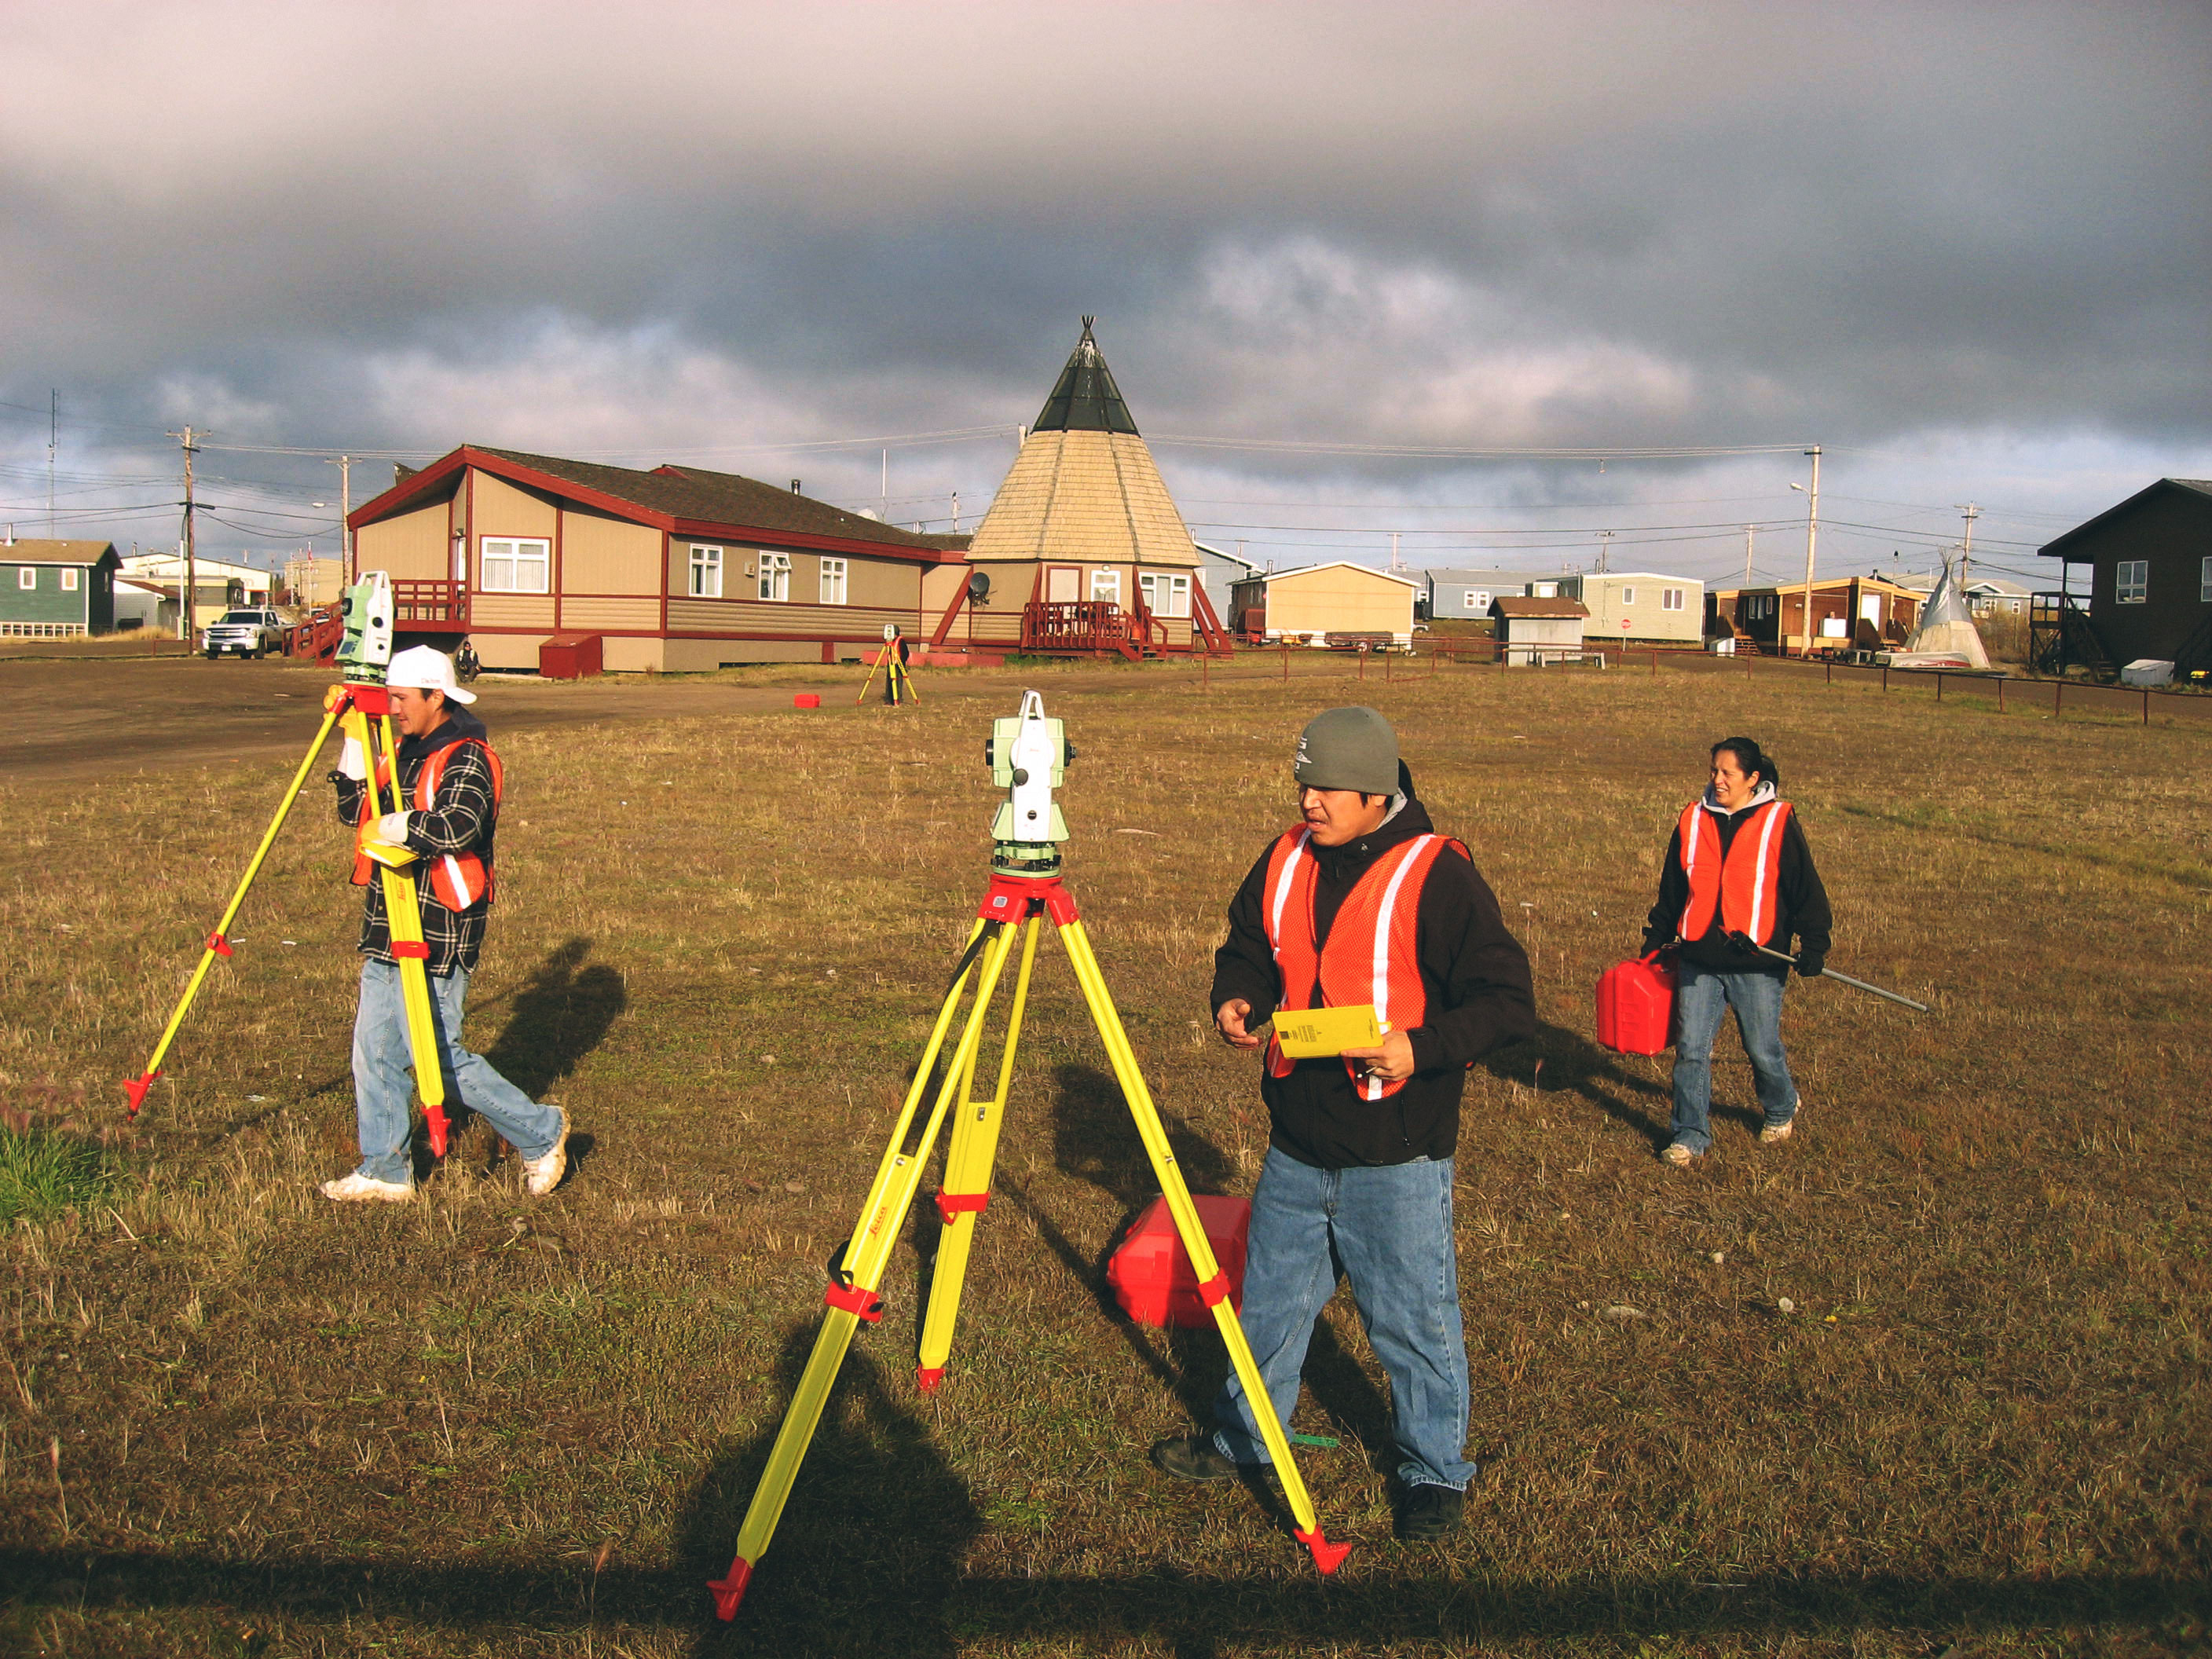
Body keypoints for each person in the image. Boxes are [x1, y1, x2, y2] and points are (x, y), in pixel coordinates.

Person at [1151, 707, 1536, 1541]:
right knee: (1269, 1309)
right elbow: (1247, 942)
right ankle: (1245, 1439)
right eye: (1301, 783)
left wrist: (1419, 1048)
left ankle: (1434, 1473)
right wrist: (1236, 995)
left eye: (1324, 787)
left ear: (1373, 792)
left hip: (1396, 1150)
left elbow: (1506, 1003)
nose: (1307, 802)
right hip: (1296, 1140)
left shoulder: (1437, 875)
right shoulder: (1285, 857)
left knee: (1411, 1320)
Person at [320, 645, 569, 1202]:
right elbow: (350, 812)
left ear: (437, 697)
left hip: (439, 926)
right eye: (388, 698)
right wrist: (354, 748)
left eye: (403, 699)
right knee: (375, 1051)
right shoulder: (396, 747)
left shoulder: (468, 755)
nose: (394, 709)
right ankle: (384, 1169)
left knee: (436, 1054)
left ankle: (540, 1131)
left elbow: (458, 826)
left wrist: (399, 825)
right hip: (388, 922)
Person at [1641, 736, 1832, 1166]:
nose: (1718, 780)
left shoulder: (1778, 821)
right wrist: (1657, 937)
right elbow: (1673, 886)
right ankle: (1689, 1135)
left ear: (1752, 778)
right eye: (1714, 771)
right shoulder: (1692, 818)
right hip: (1698, 959)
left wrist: (1814, 944)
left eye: (1728, 772)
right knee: (1691, 1048)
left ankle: (1781, 1106)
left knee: (1761, 1047)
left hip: (1758, 961)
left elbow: (1804, 887)